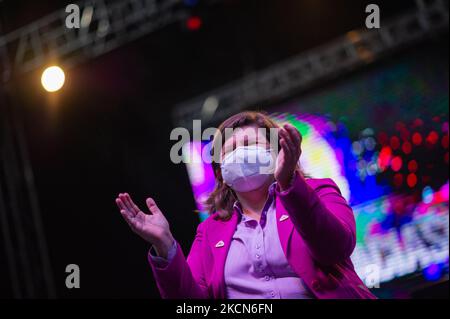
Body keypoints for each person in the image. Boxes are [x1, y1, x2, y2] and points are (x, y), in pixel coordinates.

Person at [115, 111, 376, 299]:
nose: (240, 153)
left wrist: (289, 184)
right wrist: (165, 245)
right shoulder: (209, 232)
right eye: (231, 150)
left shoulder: (318, 190)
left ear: (278, 152)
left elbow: (335, 248)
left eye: (250, 144)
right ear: (221, 171)